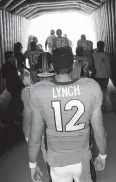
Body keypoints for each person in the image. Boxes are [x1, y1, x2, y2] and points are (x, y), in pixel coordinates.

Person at [28, 47, 107, 182]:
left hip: (57, 161)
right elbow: (100, 133)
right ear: (72, 64)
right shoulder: (91, 87)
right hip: (82, 159)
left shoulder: (38, 91)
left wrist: (33, 165)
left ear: (52, 66)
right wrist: (102, 155)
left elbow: (35, 137)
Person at [92, 41, 111, 111]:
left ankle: (98, 106)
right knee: (104, 90)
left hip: (97, 76)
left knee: (98, 91)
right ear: (104, 46)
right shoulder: (107, 55)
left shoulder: (93, 55)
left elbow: (92, 66)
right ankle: (103, 106)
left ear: (97, 46)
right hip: (105, 75)